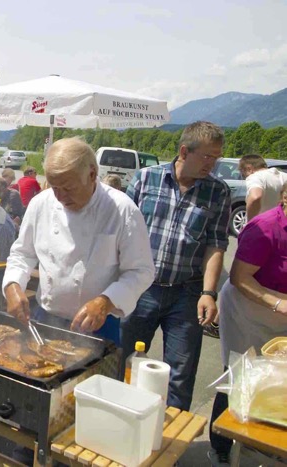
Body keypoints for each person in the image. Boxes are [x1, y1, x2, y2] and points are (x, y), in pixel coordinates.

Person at [3, 137, 155, 466]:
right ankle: (25, 455)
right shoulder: (42, 204)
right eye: (54, 186)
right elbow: (21, 253)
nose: (60, 197)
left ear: (92, 174)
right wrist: (13, 285)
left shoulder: (122, 210)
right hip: (45, 321)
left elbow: (142, 271)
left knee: (89, 422)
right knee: (35, 408)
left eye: (68, 188)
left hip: (99, 329)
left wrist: (106, 299)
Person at [123, 121, 230, 411]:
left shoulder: (217, 192)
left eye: (216, 157)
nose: (213, 163)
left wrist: (209, 293)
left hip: (186, 294)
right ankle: (118, 426)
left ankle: (169, 444)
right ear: (184, 151)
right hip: (139, 290)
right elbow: (120, 232)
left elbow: (216, 246)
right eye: (207, 156)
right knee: (122, 364)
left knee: (179, 376)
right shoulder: (146, 179)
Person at [207, 181, 287, 466]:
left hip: (280, 314)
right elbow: (240, 277)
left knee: (278, 380)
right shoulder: (264, 227)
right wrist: (279, 303)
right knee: (240, 376)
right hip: (247, 310)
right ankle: (220, 446)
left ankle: (265, 443)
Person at [239, 154, 287, 221]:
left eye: (242, 172)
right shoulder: (284, 176)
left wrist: (251, 223)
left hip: (263, 226)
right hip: (282, 224)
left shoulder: (255, 177)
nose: (243, 176)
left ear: (249, 168)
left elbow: (255, 197)